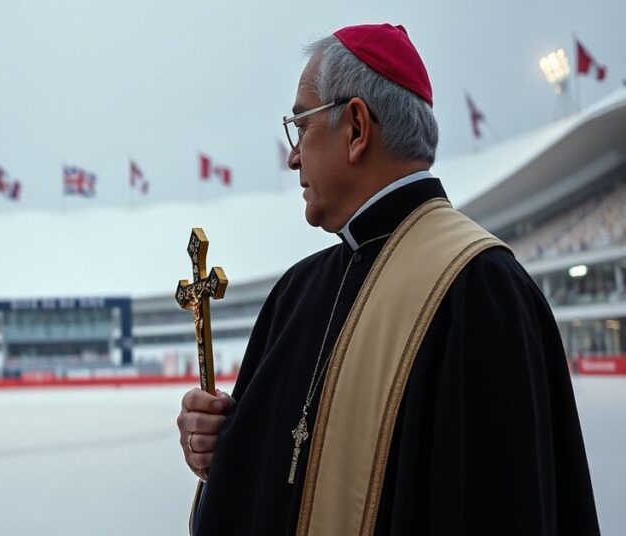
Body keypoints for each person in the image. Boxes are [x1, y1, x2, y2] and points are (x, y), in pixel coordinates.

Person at [177, 23, 600, 535]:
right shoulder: (297, 291)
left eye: (300, 125)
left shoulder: (479, 289)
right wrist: (225, 445)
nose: (292, 157)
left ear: (356, 128)